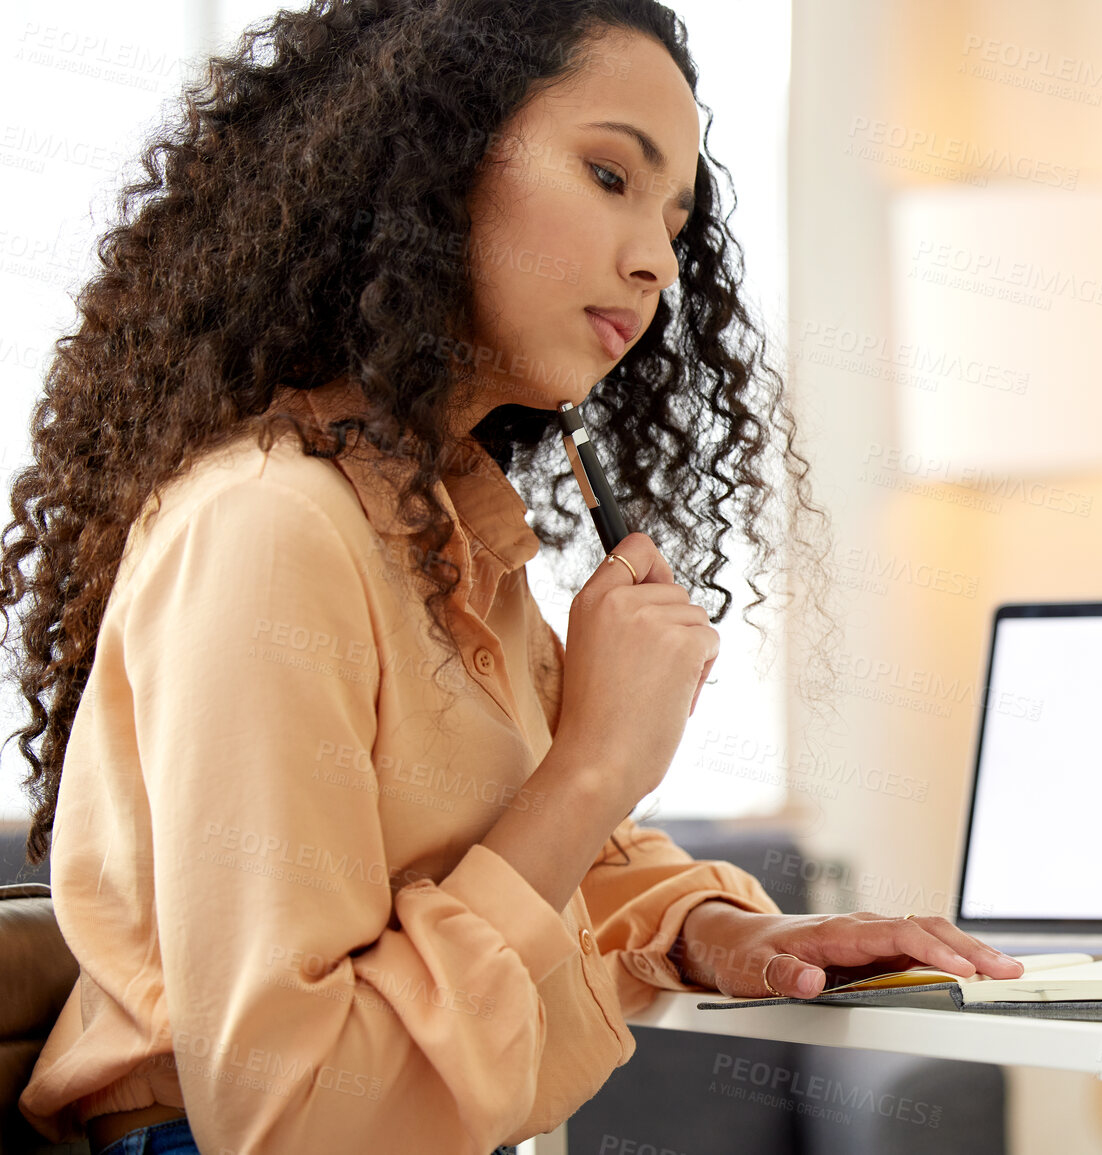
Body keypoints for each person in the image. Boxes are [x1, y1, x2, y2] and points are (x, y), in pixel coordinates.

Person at [3, 2, 1022, 1152]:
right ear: (430, 166)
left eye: (674, 222)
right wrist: (595, 761)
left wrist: (715, 929)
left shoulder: (438, 537)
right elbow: (290, 1121)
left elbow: (512, 866)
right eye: (607, 175)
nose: (652, 261)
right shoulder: (271, 527)